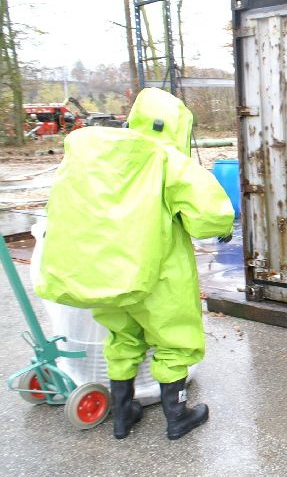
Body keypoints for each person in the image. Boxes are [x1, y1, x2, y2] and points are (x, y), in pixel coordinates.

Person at [35, 88, 234, 440]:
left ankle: (123, 414)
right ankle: (177, 416)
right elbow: (209, 215)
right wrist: (221, 229)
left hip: (110, 274)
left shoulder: (95, 157)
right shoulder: (166, 159)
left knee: (122, 338)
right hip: (160, 273)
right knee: (176, 339)